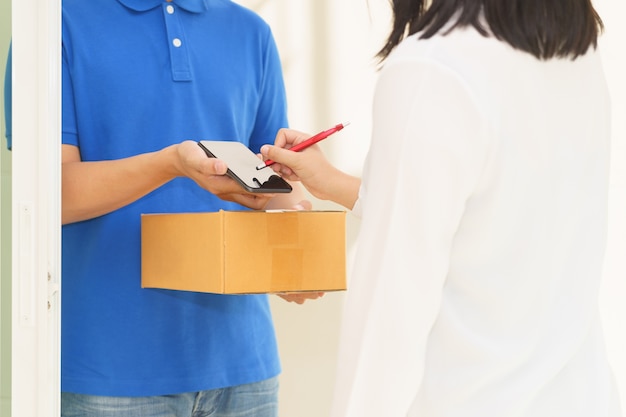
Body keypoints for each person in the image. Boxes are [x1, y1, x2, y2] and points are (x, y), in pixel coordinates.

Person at [260, 0, 621, 416]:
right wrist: (335, 182)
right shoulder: (576, 56)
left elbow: (389, 320)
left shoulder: (433, 68)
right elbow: (492, 214)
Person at [4, 0, 322, 416]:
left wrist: (296, 235)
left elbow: (271, 185)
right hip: (109, 374)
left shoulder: (251, 32)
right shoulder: (53, 22)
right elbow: (51, 196)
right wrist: (169, 164)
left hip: (246, 370)